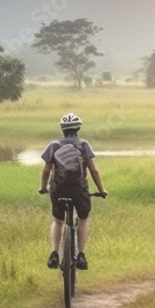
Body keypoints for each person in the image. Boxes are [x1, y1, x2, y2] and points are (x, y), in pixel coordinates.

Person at [38, 113, 107, 271]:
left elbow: (46, 171)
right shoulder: (83, 145)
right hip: (78, 189)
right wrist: (101, 190)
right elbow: (94, 170)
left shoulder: (54, 145)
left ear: (62, 129)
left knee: (57, 221)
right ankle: (81, 254)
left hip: (58, 189)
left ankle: (54, 252)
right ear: (78, 128)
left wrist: (43, 188)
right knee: (83, 219)